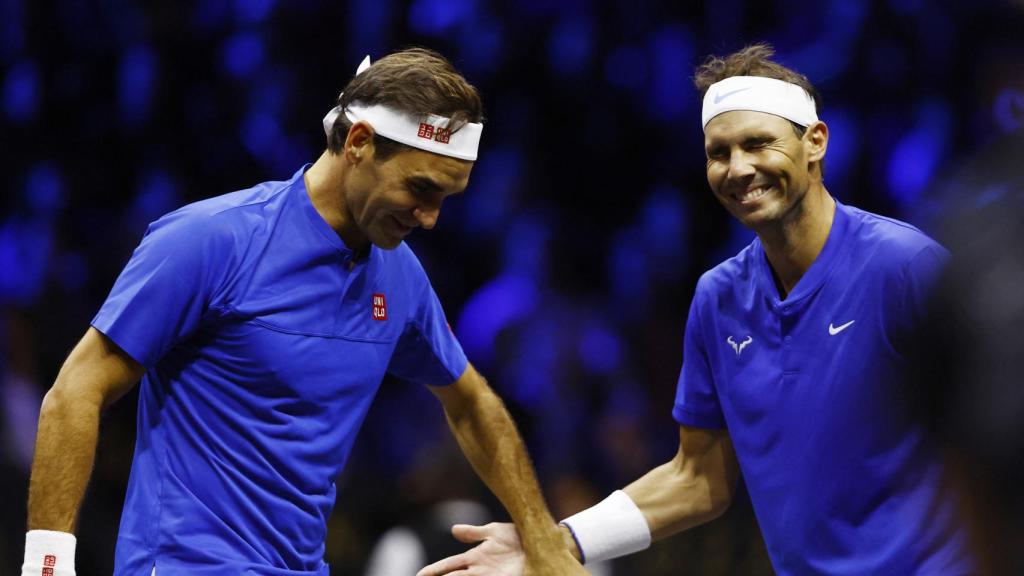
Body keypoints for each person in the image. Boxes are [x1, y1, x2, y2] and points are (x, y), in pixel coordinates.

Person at [21, 48, 585, 576]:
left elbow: (472, 402)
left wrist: (542, 539)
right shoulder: (211, 240)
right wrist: (46, 566)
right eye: (420, 188)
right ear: (359, 141)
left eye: (445, 198)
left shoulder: (401, 276)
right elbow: (76, 391)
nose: (432, 217)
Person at [418, 43, 974, 576]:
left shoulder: (907, 268)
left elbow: (997, 431)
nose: (737, 168)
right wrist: (557, 542)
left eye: (759, 143)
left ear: (816, 143)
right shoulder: (718, 297)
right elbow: (698, 477)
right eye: (719, 152)